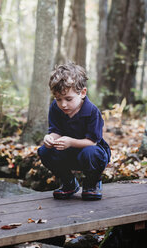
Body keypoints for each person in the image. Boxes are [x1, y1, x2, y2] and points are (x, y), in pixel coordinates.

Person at [38, 62, 111, 200]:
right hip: (69, 151)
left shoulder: (92, 112)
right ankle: (69, 183)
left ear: (82, 93)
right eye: (58, 99)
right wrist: (50, 138)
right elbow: (56, 130)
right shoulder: (56, 108)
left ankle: (92, 183)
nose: (63, 104)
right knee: (44, 151)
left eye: (68, 99)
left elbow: (92, 142)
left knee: (90, 153)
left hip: (93, 152)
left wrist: (71, 141)